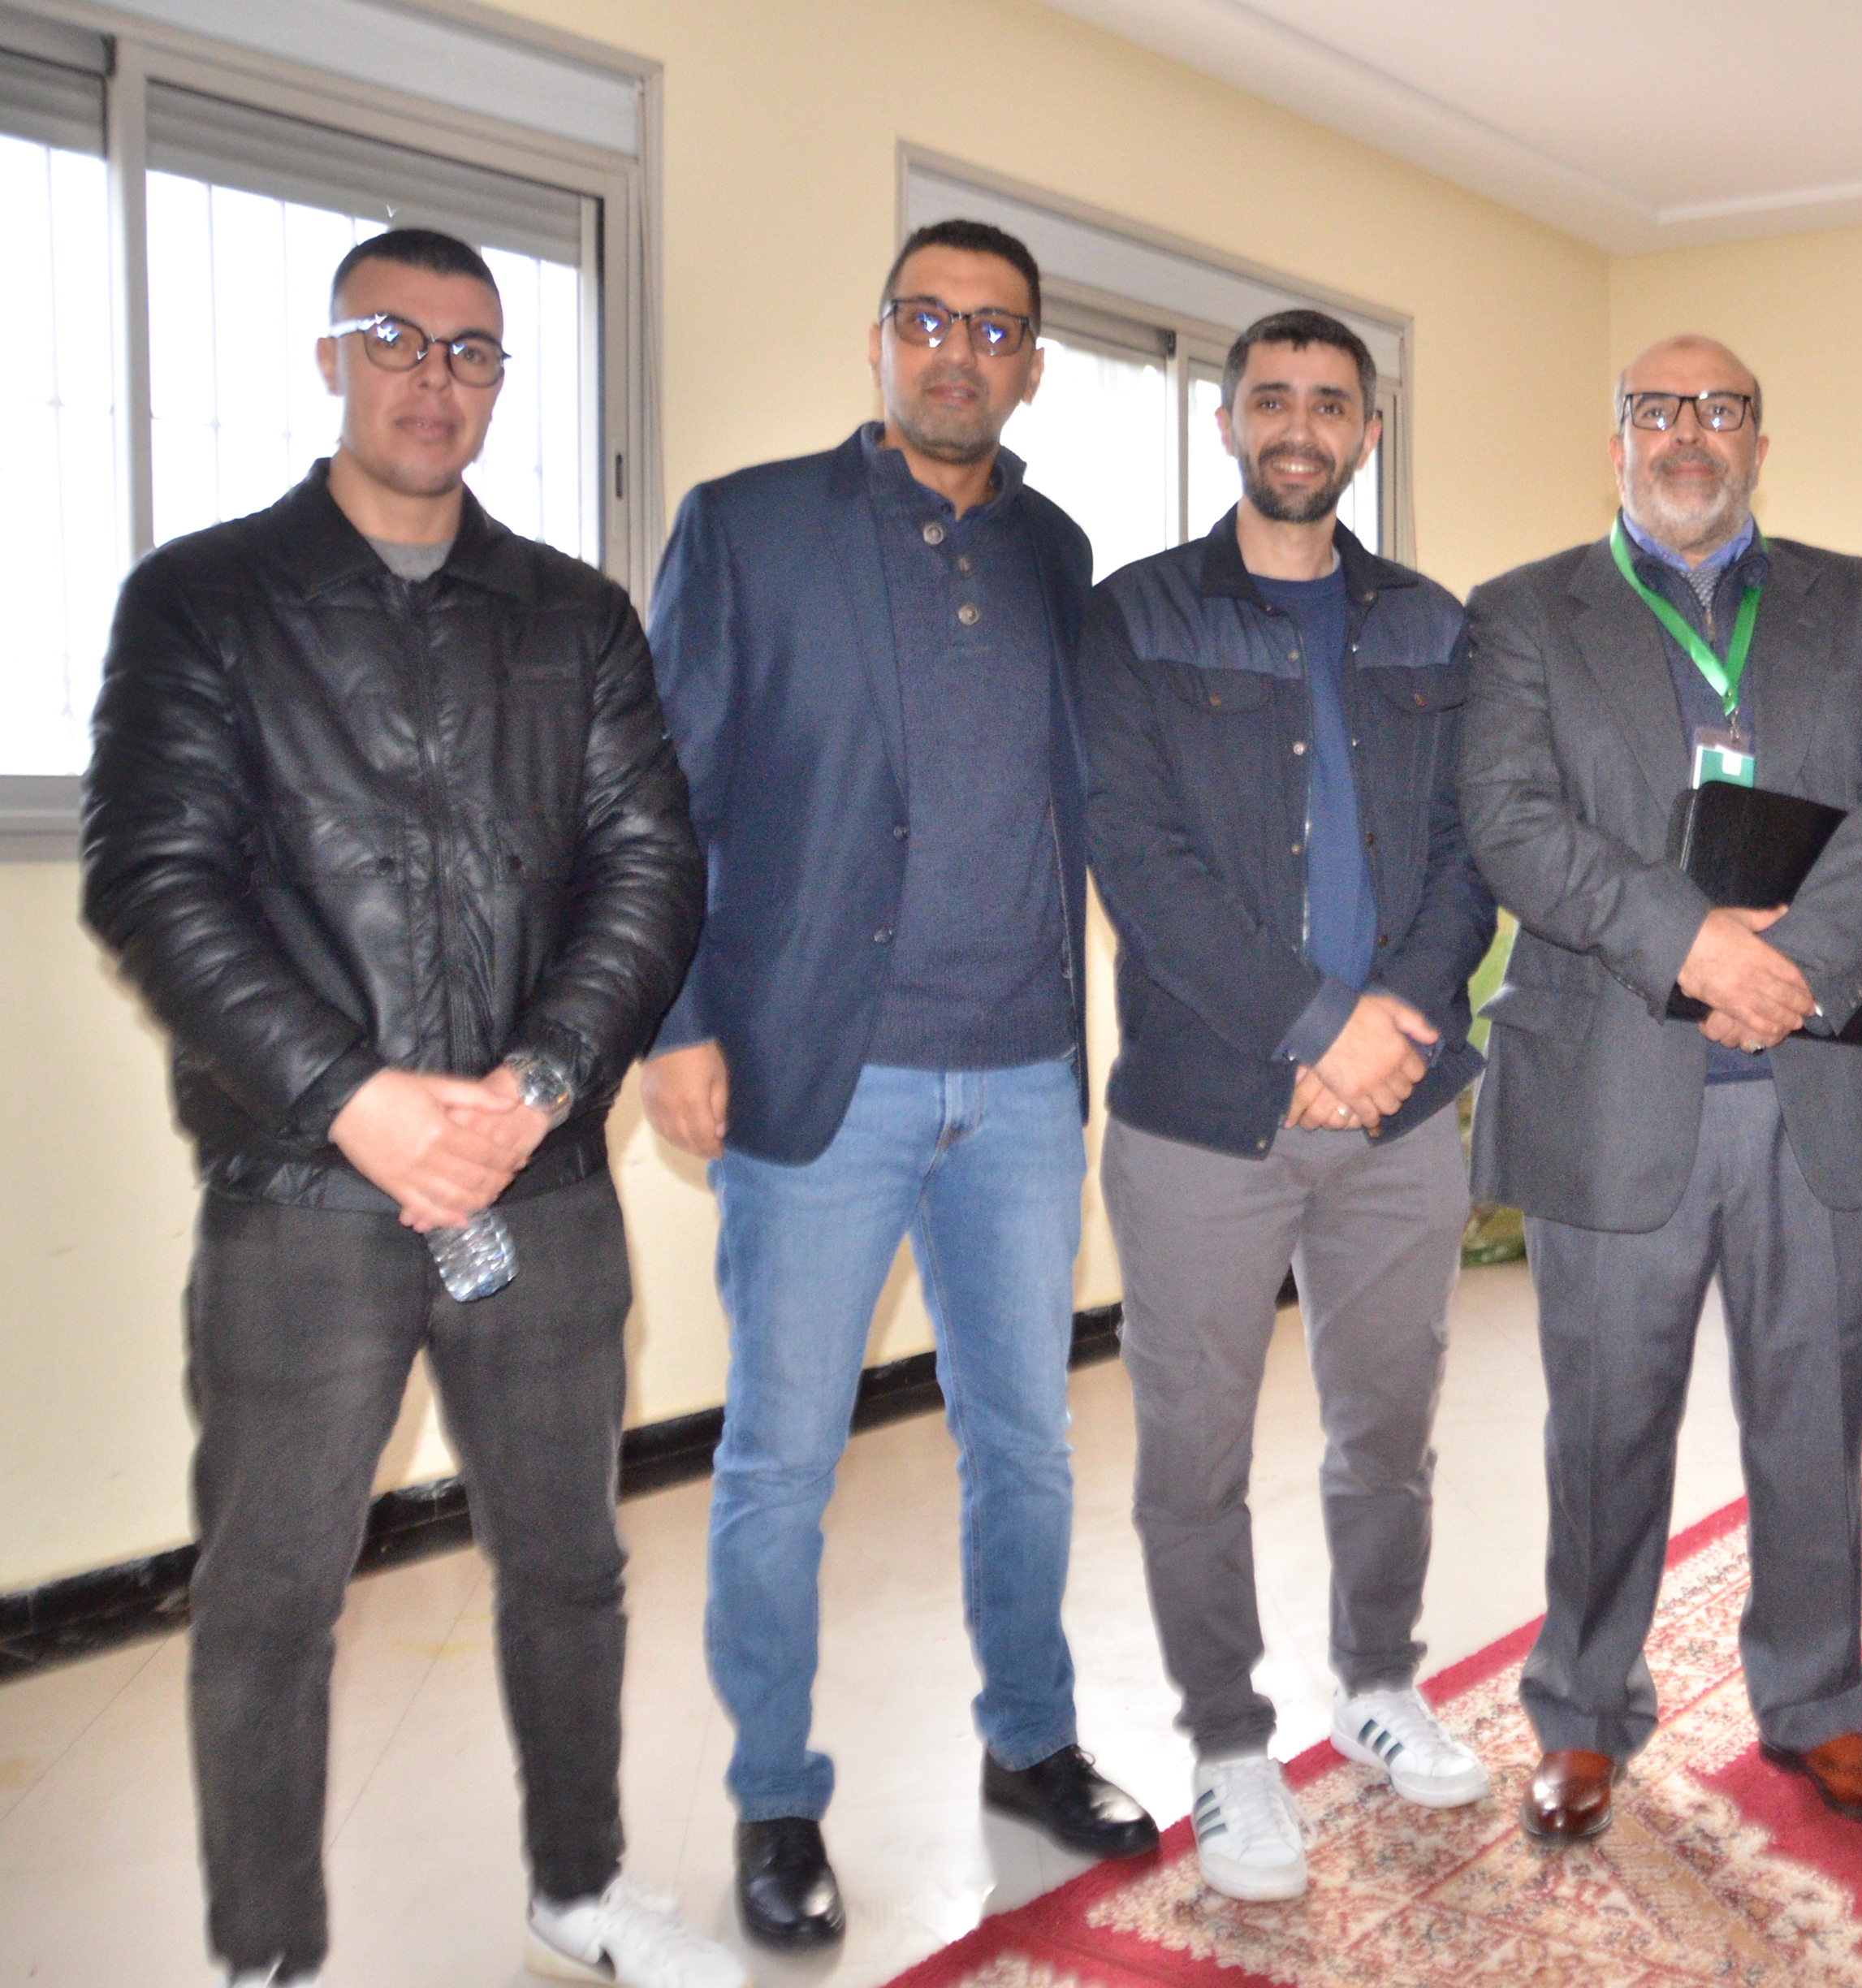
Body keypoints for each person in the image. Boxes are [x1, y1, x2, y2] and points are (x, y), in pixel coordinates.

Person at [80, 228, 732, 1988]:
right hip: (303, 1190)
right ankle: (267, 1954)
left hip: (541, 1184)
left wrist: (538, 1083)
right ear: (331, 359)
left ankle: (581, 1889)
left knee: (567, 1563)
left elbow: (651, 870)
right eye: (394, 337)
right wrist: (352, 1096)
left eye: (471, 349)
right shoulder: (206, 598)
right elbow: (153, 882)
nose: (433, 378)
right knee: (270, 1598)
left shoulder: (575, 615)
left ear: (500, 379)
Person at [642, 220, 1155, 1953]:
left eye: (994, 328)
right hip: (821, 1072)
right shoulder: (747, 526)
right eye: (927, 317)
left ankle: (1032, 1738)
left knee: (1026, 1442)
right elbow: (662, 801)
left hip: (1021, 1077)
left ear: (1032, 367)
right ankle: (775, 1795)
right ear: (879, 339)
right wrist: (675, 1018)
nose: (957, 349)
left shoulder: (1057, 551)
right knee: (782, 1458)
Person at [1462, 335, 1862, 1842]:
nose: (1691, 433)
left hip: (1819, 1082)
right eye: (1659, 410)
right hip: (1614, 1083)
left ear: (1759, 440)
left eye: (1722, 409)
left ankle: (1815, 1706)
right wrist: (1691, 945)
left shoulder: (1857, 600)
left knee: (1812, 1421)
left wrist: (1787, 963)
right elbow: (1510, 821)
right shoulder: (1523, 613)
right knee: (1604, 1428)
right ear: (1616, 439)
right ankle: (1583, 1712)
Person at [1078, 309, 1497, 1901]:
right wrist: (1320, 1025)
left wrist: (1391, 1030)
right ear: (1229, 423)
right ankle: (1228, 1741)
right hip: (1204, 1112)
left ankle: (1379, 1684)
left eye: (1332, 402)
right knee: (1193, 1450)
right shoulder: (1135, 619)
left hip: (1400, 1113)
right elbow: (1139, 862)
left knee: (1387, 1429)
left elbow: (1467, 853)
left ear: (1368, 432)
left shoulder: (1435, 628)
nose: (1300, 425)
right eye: (1272, 398)